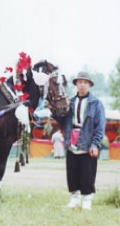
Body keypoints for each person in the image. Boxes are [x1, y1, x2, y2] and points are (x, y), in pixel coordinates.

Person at [52, 71, 106, 210]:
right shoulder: (70, 102)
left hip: (88, 141)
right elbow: (63, 121)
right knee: (72, 171)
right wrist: (54, 111)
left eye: (85, 82)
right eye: (80, 82)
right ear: (76, 84)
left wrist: (95, 143)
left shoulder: (96, 103)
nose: (82, 85)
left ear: (89, 85)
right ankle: (74, 199)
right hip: (72, 140)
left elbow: (100, 126)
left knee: (87, 172)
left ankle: (87, 200)